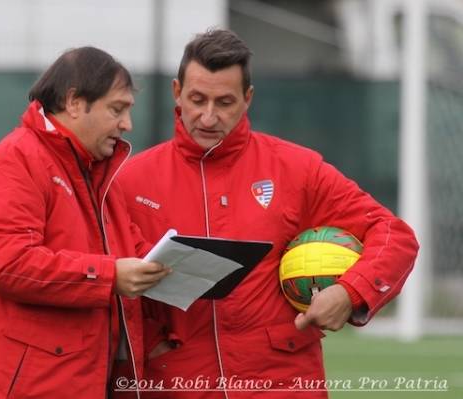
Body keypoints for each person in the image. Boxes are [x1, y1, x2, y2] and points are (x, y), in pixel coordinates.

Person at [117, 29, 419, 398]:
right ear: (177, 93)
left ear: (248, 99)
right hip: (173, 384)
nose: (208, 117)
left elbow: (393, 234)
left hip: (281, 383)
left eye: (224, 102)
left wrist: (349, 292)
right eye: (197, 99)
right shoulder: (129, 180)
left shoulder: (297, 169)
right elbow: (101, 279)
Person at [0, 46, 170, 398]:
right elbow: (10, 265)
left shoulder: (98, 176)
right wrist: (110, 276)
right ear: (74, 102)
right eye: (116, 109)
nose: (127, 124)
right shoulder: (13, 162)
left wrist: (189, 264)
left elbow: (134, 252)